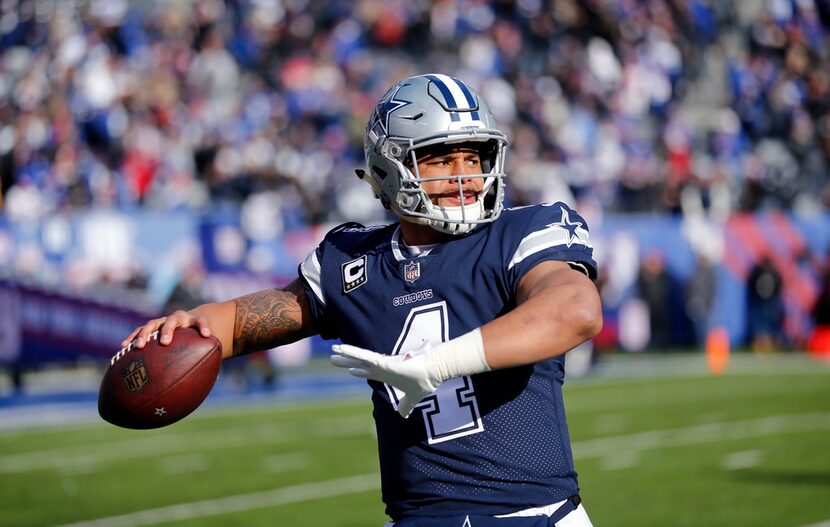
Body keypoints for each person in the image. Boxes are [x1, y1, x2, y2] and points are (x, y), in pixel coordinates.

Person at [122, 74, 602, 526]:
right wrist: (184, 326)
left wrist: (437, 364)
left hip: (537, 514)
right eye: (440, 159)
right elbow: (241, 322)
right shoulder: (354, 263)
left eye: (474, 158)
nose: (467, 176)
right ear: (387, 169)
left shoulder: (522, 233)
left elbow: (574, 310)